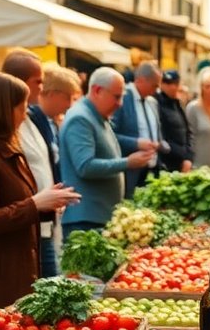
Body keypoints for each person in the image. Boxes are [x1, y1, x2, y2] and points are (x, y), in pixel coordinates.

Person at [0, 74, 80, 322]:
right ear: (4, 109)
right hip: (1, 272)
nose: (26, 114)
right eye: (21, 107)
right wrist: (36, 204)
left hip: (17, 266)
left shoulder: (6, 145)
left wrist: (47, 204)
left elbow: (17, 200)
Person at [59, 67, 150, 237]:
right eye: (116, 96)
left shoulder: (97, 115)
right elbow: (85, 166)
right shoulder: (81, 118)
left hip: (97, 217)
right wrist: (127, 162)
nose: (120, 103)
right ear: (97, 90)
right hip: (85, 220)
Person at [1, 50, 63, 278]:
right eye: (38, 81)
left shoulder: (35, 117)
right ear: (20, 82)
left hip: (44, 222)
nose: (42, 87)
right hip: (27, 224)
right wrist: (36, 202)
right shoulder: (7, 125)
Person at [111, 60, 163, 196]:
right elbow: (110, 134)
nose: (156, 90)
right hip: (130, 170)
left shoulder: (152, 102)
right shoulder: (122, 99)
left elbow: (156, 131)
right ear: (140, 80)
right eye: (154, 85)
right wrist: (136, 143)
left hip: (151, 168)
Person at [156, 69, 193, 173]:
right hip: (167, 162)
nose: (171, 87)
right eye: (167, 83)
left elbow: (187, 132)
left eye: (174, 84)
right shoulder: (157, 104)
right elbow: (161, 136)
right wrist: (183, 156)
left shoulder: (177, 105)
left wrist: (188, 158)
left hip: (183, 161)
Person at [39, 63, 81, 132]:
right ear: (51, 94)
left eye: (73, 99)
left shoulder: (55, 122)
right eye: (67, 98)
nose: (70, 105)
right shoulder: (31, 122)